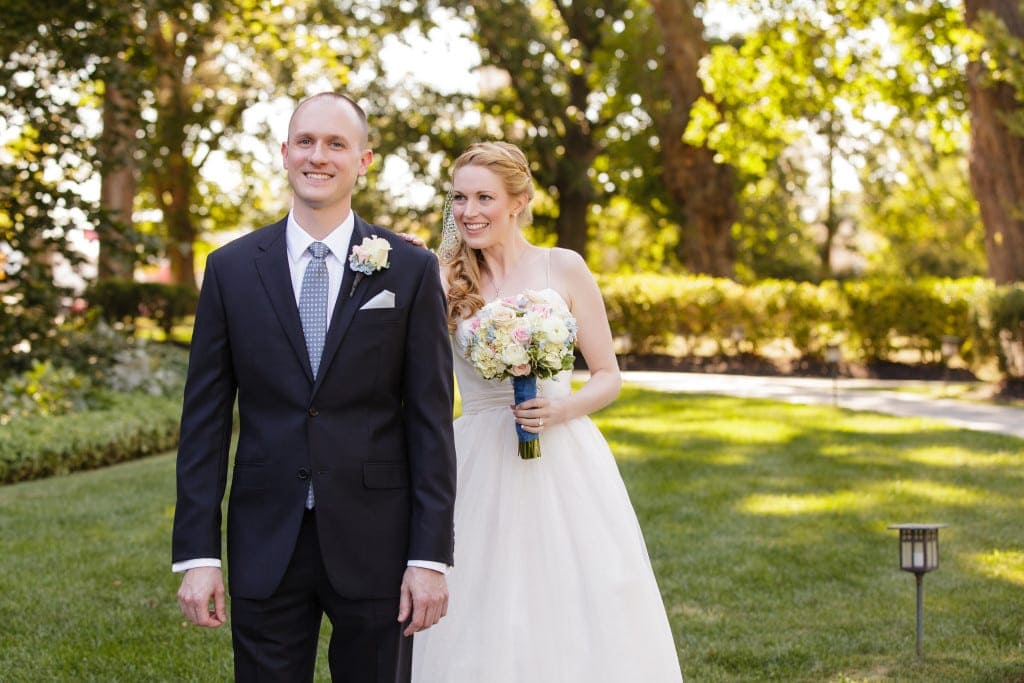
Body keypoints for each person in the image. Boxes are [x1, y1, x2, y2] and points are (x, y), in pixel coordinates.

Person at [171, 92, 457, 683]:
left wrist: (428, 558)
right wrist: (199, 556)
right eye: (305, 141)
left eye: (336, 144)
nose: (317, 156)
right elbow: (204, 421)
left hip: (377, 539)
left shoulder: (408, 269)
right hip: (264, 536)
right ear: (284, 153)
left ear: (364, 160)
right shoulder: (230, 268)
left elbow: (430, 422)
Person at [411, 141, 684, 682]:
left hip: (564, 453)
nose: (469, 212)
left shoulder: (564, 267)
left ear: (519, 200)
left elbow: (608, 376)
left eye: (484, 197)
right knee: (480, 597)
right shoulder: (442, 277)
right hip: (477, 458)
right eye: (460, 198)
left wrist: (560, 410)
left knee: (577, 589)